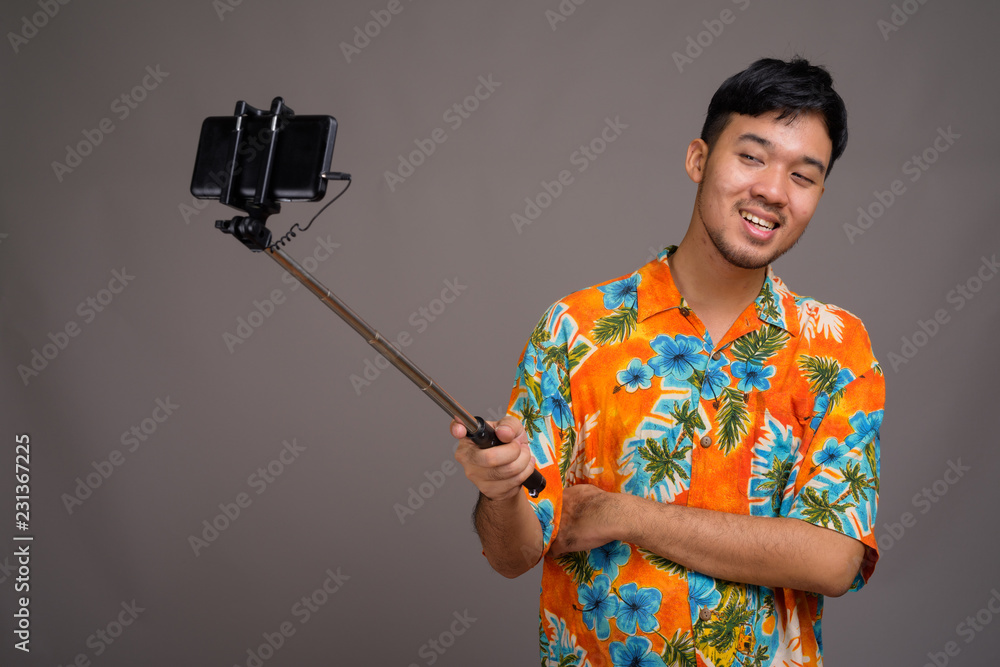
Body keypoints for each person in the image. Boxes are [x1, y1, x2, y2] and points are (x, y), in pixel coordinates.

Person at [451, 57, 884, 667]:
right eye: (752, 156)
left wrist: (622, 514)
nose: (772, 190)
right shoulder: (577, 329)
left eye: (803, 176)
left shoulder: (835, 346)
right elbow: (513, 554)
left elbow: (833, 560)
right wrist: (499, 492)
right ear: (698, 160)